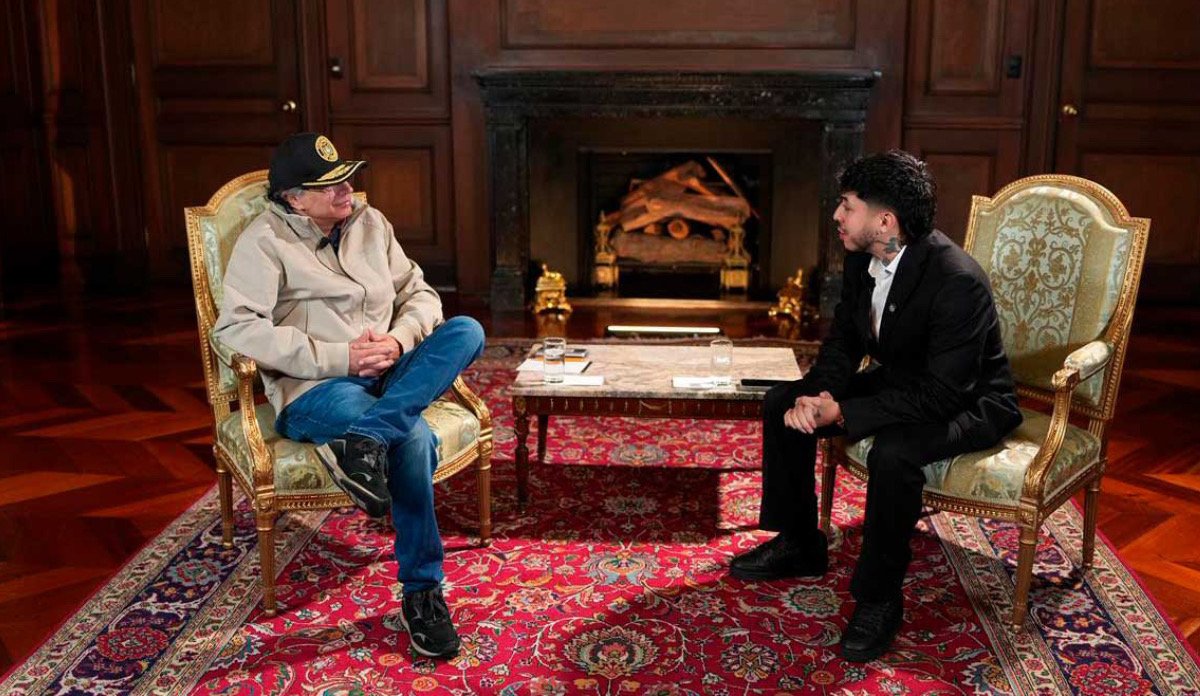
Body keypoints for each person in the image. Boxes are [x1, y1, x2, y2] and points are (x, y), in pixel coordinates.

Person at [729, 150, 1021, 662]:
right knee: (781, 403)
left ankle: (879, 597)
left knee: (894, 452)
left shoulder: (957, 279)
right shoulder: (862, 257)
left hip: (969, 401)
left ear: (885, 221)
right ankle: (800, 543)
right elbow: (844, 342)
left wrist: (843, 415)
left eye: (847, 206)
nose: (837, 216)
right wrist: (816, 397)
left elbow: (943, 393)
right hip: (905, 381)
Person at [213, 132, 484, 659]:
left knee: (467, 330)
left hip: (391, 369)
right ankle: (423, 593)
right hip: (319, 387)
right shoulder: (263, 240)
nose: (347, 191)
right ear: (295, 198)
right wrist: (341, 358)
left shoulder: (371, 222)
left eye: (347, 179)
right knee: (412, 437)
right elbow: (238, 330)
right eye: (330, 186)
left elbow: (420, 294)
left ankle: (367, 438)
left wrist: (397, 340)